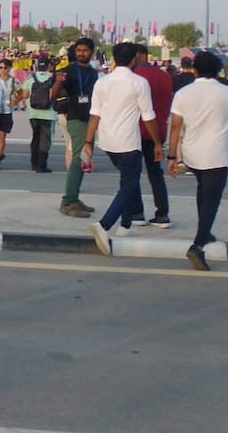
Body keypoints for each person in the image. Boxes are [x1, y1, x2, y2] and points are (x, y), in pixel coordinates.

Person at [86, 43, 165, 256]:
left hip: (108, 141)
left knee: (127, 181)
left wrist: (87, 142)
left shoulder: (102, 82)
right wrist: (158, 143)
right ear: (134, 60)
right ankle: (104, 225)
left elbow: (95, 114)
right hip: (129, 141)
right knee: (129, 185)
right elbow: (148, 117)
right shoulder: (139, 83)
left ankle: (126, 223)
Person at [167, 51, 228, 270]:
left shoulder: (183, 93)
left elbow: (175, 126)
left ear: (194, 69)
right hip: (217, 154)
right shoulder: (225, 92)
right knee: (211, 200)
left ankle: (205, 231)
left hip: (192, 153)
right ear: (218, 70)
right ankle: (198, 245)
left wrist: (172, 156)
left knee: (203, 192)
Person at [51, 39, 98, 217]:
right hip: (75, 118)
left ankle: (74, 198)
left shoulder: (93, 73)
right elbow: (53, 96)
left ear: (91, 52)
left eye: (85, 50)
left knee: (84, 159)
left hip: (90, 118)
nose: (81, 53)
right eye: (78, 50)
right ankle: (68, 201)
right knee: (79, 158)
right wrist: (57, 82)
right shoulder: (67, 72)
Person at [128, 44, 173, 228]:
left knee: (133, 173)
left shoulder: (135, 78)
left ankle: (137, 213)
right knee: (156, 174)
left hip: (137, 129)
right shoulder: (165, 76)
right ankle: (162, 214)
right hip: (159, 129)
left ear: (139, 56)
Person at [20, 58, 57, 173]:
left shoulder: (30, 78)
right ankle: (42, 165)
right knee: (45, 140)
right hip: (48, 113)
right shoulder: (53, 78)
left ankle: (34, 163)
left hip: (33, 113)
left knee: (35, 138)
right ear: (49, 65)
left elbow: (25, 95)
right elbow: (54, 95)